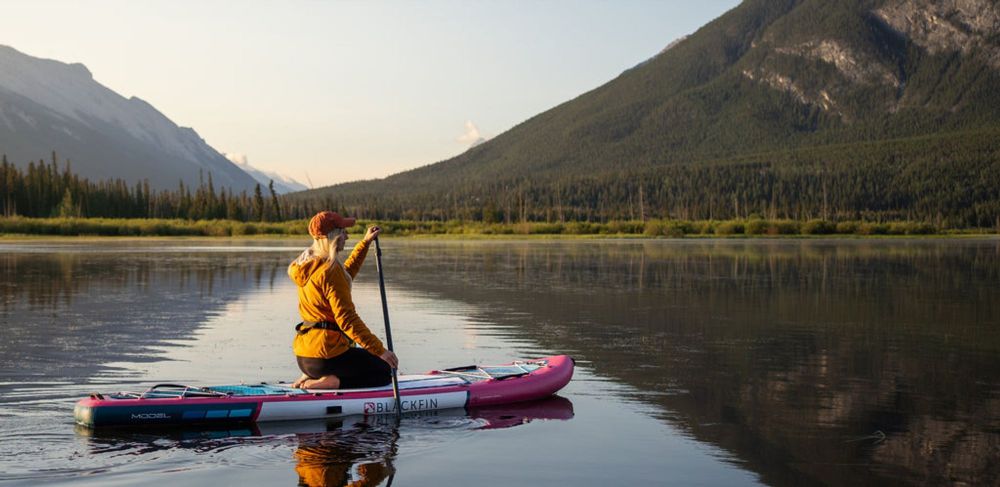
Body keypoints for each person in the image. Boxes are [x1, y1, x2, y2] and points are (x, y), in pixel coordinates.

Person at [288, 210, 399, 389]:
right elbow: (347, 319)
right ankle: (332, 381)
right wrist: (380, 351)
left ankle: (314, 377)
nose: (347, 236)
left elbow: (345, 276)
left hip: (305, 358)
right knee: (385, 370)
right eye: (343, 231)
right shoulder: (330, 271)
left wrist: (365, 243)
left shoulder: (309, 266)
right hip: (327, 356)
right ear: (334, 236)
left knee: (366, 360)